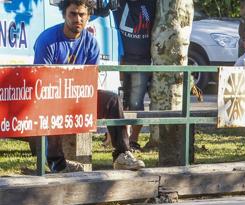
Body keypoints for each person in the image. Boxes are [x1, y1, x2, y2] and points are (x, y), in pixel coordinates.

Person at [34, 0, 145, 172]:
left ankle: (122, 155)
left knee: (112, 100)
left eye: (81, 15)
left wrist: (109, 120)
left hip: (80, 97)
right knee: (52, 106)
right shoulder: (47, 40)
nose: (77, 19)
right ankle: (56, 162)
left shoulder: (91, 42)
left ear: (88, 17)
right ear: (64, 15)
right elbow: (41, 81)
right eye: (72, 14)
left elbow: (91, 82)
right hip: (53, 97)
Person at [111, 0, 156, 151]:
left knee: (136, 102)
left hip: (142, 61)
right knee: (118, 102)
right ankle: (118, 139)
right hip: (120, 59)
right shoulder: (118, 3)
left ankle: (134, 140)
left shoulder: (152, 4)